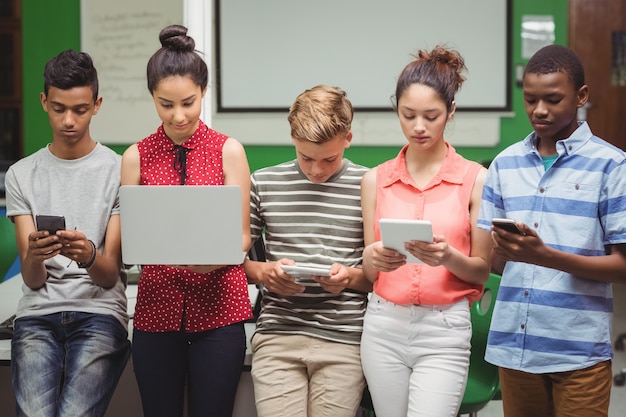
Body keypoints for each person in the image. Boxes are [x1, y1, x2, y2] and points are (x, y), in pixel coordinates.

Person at [478, 44, 626, 417]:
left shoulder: (611, 166)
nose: (539, 110)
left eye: (553, 99)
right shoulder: (504, 164)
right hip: (515, 347)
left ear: (581, 96)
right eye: (530, 100)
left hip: (578, 352)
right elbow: (497, 264)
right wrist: (503, 251)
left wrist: (545, 257)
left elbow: (622, 267)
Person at [120, 24, 252, 417]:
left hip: (220, 310)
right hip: (156, 307)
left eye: (189, 103)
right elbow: (132, 243)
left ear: (204, 92)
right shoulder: (135, 158)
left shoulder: (229, 151)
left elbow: (243, 236)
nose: (178, 116)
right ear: (152, 98)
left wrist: (216, 257)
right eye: (166, 104)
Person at [359, 46, 492, 417]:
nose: (419, 126)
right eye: (408, 115)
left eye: (431, 116)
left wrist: (448, 256)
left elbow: (482, 270)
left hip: (444, 328)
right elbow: (372, 273)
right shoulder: (375, 180)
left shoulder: (476, 180)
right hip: (383, 324)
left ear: (450, 112)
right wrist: (372, 258)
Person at [4, 49, 130, 417]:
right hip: (37, 314)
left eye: (80, 109)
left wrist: (88, 254)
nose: (69, 121)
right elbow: (32, 279)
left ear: (97, 104)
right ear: (44, 101)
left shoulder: (118, 171)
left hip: (99, 312)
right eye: (59, 109)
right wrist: (35, 254)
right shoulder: (22, 175)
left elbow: (109, 277)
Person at [244, 84, 372, 417]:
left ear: (348, 138)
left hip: (343, 337)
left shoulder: (369, 185)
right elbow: (233, 261)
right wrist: (265, 274)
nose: (317, 170)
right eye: (306, 158)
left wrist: (349, 278)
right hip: (278, 332)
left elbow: (379, 278)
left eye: (329, 159)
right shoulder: (264, 183)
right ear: (292, 138)